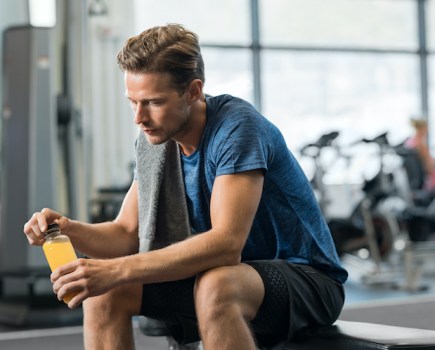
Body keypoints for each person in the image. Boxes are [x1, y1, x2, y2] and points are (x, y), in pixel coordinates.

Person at [23, 24, 347, 350]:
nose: (139, 117)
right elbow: (125, 233)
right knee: (105, 293)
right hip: (228, 274)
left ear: (193, 91)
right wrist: (66, 229)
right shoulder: (155, 141)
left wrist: (118, 269)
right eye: (133, 102)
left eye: (153, 102)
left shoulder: (237, 129)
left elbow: (225, 245)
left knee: (217, 284)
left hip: (308, 279)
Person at [405, 117, 435, 191]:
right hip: (428, 179)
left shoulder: (409, 141)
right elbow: (429, 167)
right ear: (423, 128)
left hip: (415, 178)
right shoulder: (421, 145)